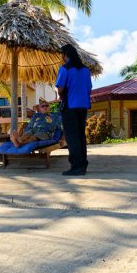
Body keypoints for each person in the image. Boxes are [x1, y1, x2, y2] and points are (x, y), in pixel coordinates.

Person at [55, 44, 92, 176]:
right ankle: (83, 165)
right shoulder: (86, 70)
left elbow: (60, 88)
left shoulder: (65, 69)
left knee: (72, 137)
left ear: (65, 54)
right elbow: (89, 88)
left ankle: (76, 166)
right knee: (81, 135)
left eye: (62, 55)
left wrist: (62, 95)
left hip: (70, 106)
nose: (62, 58)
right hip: (83, 106)